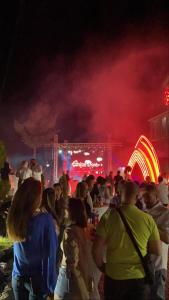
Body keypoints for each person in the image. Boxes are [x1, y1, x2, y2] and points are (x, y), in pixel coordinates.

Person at [92, 181, 161, 300]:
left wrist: (103, 267)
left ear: (120, 194)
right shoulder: (147, 219)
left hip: (114, 276)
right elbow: (157, 250)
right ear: (137, 196)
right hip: (138, 277)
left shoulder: (108, 217)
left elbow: (96, 250)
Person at [7, 178, 57, 300]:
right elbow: (51, 253)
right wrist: (51, 285)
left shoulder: (15, 217)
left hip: (17, 277)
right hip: (37, 281)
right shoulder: (45, 220)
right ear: (35, 198)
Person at [55, 198, 91, 300]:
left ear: (70, 211)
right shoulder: (82, 230)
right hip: (78, 277)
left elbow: (71, 262)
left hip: (68, 279)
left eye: (65, 208)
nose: (63, 210)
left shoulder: (69, 232)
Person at [144, 184, 169, 300]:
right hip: (143, 264)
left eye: (148, 196)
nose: (145, 199)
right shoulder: (143, 213)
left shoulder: (165, 213)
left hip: (158, 265)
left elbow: (167, 238)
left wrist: (151, 225)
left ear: (157, 196)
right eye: (143, 196)